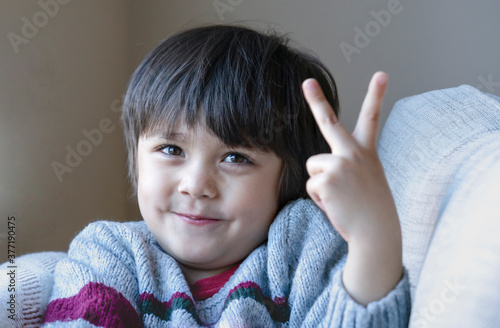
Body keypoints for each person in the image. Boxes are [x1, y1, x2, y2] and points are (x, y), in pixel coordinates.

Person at [41, 24, 410, 327]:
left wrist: (373, 233)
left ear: (289, 178)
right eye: (172, 150)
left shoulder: (300, 249)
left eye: (235, 157)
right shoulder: (110, 252)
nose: (196, 186)